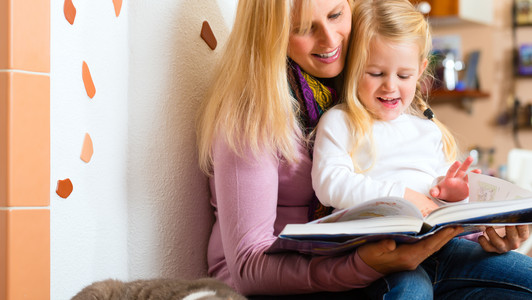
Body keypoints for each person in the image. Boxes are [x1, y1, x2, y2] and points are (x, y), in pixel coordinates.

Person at [196, 0, 467, 298]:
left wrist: (485, 233)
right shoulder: (251, 114)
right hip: (286, 280)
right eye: (303, 28)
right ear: (271, 34)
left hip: (369, 258)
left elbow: (415, 173)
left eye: (336, 14)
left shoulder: (359, 85)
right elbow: (248, 267)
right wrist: (361, 266)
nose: (329, 39)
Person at [311, 0, 532, 298]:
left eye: (403, 76)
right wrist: (403, 195)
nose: (390, 86)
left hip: (444, 248)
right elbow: (330, 184)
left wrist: (452, 194)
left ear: (420, 70)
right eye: (375, 73)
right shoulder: (340, 121)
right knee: (411, 291)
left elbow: (440, 208)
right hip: (381, 254)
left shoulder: (427, 131)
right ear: (354, 66)